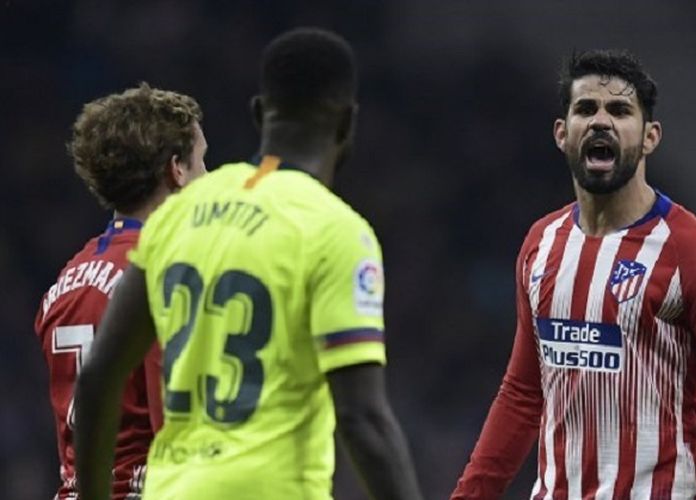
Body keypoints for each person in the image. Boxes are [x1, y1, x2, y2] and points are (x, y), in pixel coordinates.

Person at [73, 28, 423, 500]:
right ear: (346, 123)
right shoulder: (334, 229)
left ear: (259, 113)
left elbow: (97, 377)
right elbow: (362, 419)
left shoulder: (179, 214)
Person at [452, 49, 696, 499]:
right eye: (585, 109)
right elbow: (523, 393)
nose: (600, 121)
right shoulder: (541, 243)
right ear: (561, 133)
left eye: (620, 110)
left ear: (650, 137)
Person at [34, 83, 207, 500]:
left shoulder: (64, 283)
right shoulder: (165, 274)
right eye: (203, 161)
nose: (210, 177)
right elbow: (180, 434)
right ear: (176, 170)